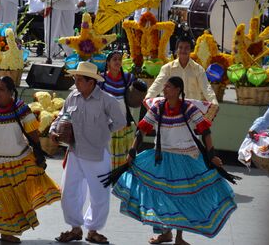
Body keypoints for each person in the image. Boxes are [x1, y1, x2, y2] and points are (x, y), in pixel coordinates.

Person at [113, 76, 237, 244]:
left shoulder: (188, 108)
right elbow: (142, 129)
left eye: (169, 87)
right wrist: (133, 151)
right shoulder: (158, 107)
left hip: (186, 158)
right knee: (165, 196)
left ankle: (179, 237)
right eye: (164, 87)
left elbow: (205, 131)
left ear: (178, 90)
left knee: (181, 197)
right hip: (162, 158)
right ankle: (166, 234)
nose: (165, 90)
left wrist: (212, 155)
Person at [0, 76, 61, 243]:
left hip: (16, 163)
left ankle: (8, 232)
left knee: (11, 200)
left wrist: (38, 153)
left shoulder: (21, 109)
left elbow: (32, 133)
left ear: (10, 92)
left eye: (1, 89)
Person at [50, 61, 126, 244]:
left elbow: (120, 122)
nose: (76, 82)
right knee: (69, 192)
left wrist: (103, 132)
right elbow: (62, 116)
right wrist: (54, 129)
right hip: (75, 152)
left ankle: (93, 230)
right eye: (75, 78)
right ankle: (75, 228)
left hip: (97, 154)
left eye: (79, 79)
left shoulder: (107, 100)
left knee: (99, 195)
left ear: (91, 82)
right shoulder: (72, 97)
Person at [146, 36, 218, 105]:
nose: (183, 50)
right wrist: (148, 97)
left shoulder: (198, 69)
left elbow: (206, 88)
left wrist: (214, 102)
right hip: (172, 110)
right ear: (177, 49)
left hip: (193, 110)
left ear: (191, 50)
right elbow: (158, 84)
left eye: (186, 48)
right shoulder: (167, 68)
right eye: (180, 47)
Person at [99, 51, 137, 169]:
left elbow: (136, 95)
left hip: (123, 122)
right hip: (106, 124)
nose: (117, 62)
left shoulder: (128, 78)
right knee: (107, 155)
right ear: (108, 63)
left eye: (119, 60)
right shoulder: (101, 78)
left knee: (122, 155)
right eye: (114, 59)